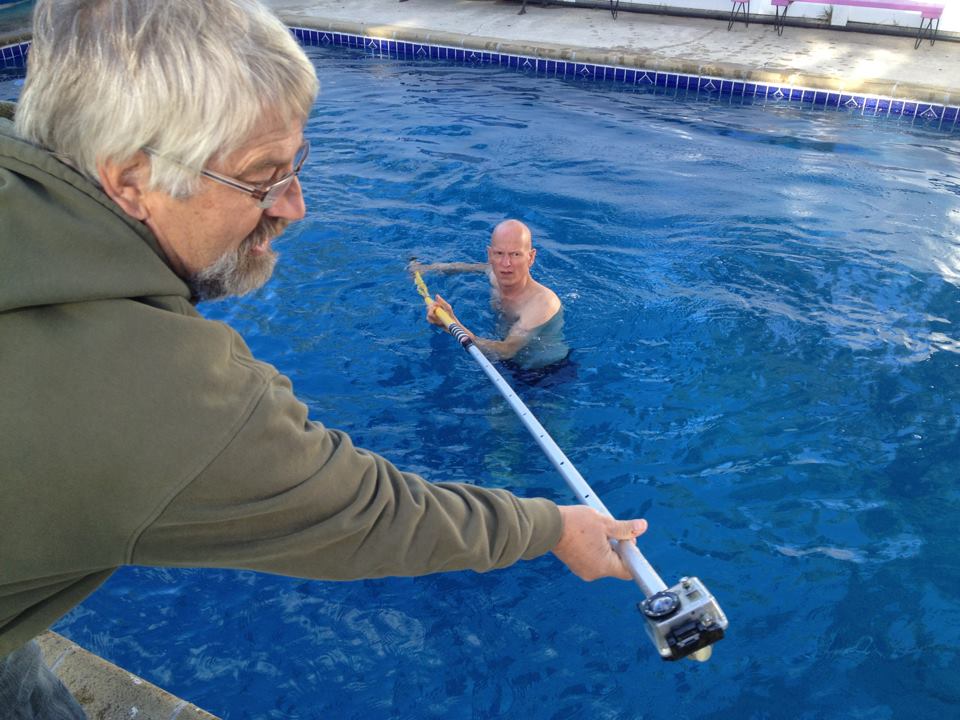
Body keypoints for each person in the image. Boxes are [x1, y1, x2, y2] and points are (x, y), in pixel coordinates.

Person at [0, 1, 647, 716]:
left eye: (297, 163)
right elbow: (371, 514)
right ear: (128, 180)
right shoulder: (158, 390)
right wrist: (554, 526)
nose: (295, 206)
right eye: (261, 176)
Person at [415, 219, 570, 370]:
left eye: (516, 254)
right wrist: (430, 268)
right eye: (499, 253)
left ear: (531, 257)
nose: (505, 264)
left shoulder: (542, 303)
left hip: (547, 374)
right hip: (505, 361)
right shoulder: (496, 275)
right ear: (490, 254)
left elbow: (506, 351)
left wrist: (451, 325)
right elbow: (478, 268)